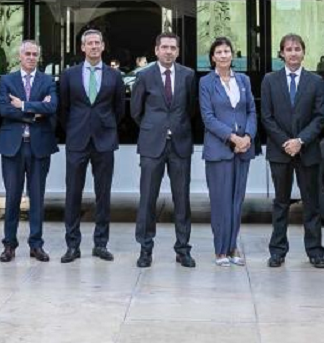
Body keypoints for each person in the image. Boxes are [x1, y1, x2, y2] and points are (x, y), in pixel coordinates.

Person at [260, 33, 324, 268]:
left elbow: (320, 118)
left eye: (297, 48)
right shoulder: (270, 80)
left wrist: (300, 141)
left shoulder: (316, 81)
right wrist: (285, 142)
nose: (293, 53)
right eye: (288, 49)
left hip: (307, 151)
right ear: (281, 53)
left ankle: (315, 252)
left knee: (311, 203)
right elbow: (266, 117)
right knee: (280, 203)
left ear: (303, 52)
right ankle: (277, 251)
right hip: (280, 153)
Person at [58, 29, 126, 263]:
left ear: (103, 46)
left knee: (103, 194)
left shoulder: (114, 76)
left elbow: (119, 110)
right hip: (77, 140)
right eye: (90, 43)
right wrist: (74, 129)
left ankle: (100, 244)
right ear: (82, 48)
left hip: (104, 141)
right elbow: (63, 109)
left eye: (98, 42)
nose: (94, 46)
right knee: (73, 194)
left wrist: (105, 127)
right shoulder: (69, 75)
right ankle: (72, 245)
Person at [131, 32, 196, 268]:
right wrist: (156, 128)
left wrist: (173, 127)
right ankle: (145, 249)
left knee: (182, 200)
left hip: (179, 144)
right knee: (148, 199)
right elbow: (136, 111)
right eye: (164, 47)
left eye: (173, 47)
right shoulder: (144, 75)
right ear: (156, 50)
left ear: (177, 51)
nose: (169, 51)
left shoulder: (188, 75)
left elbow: (191, 108)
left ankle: (183, 249)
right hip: (152, 145)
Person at [0, 40, 57, 262]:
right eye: (27, 54)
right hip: (13, 147)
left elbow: (52, 107)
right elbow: (3, 110)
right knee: (12, 197)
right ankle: (9, 245)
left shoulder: (48, 80)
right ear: (19, 57)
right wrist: (35, 111)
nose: (31, 57)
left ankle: (36, 245)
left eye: (35, 54)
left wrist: (22, 105)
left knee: (37, 197)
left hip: (39, 147)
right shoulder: (7, 80)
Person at [200, 36, 257, 267]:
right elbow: (208, 117)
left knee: (236, 201)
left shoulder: (243, 80)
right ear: (213, 57)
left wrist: (248, 137)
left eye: (227, 51)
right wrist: (232, 137)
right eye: (219, 52)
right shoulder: (206, 83)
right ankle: (220, 250)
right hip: (219, 150)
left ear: (232, 55)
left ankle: (233, 248)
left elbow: (252, 110)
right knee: (220, 201)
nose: (224, 55)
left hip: (243, 150)